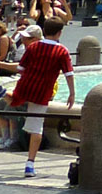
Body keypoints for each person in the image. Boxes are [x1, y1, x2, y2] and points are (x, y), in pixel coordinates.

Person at [8, 16, 77, 180]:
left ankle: (3, 94)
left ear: (43, 31)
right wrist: (72, 93)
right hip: (42, 92)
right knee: (37, 128)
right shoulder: (62, 51)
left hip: (26, 85)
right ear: (60, 33)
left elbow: (20, 68)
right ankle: (30, 164)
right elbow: (69, 74)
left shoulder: (33, 47)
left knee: (15, 99)